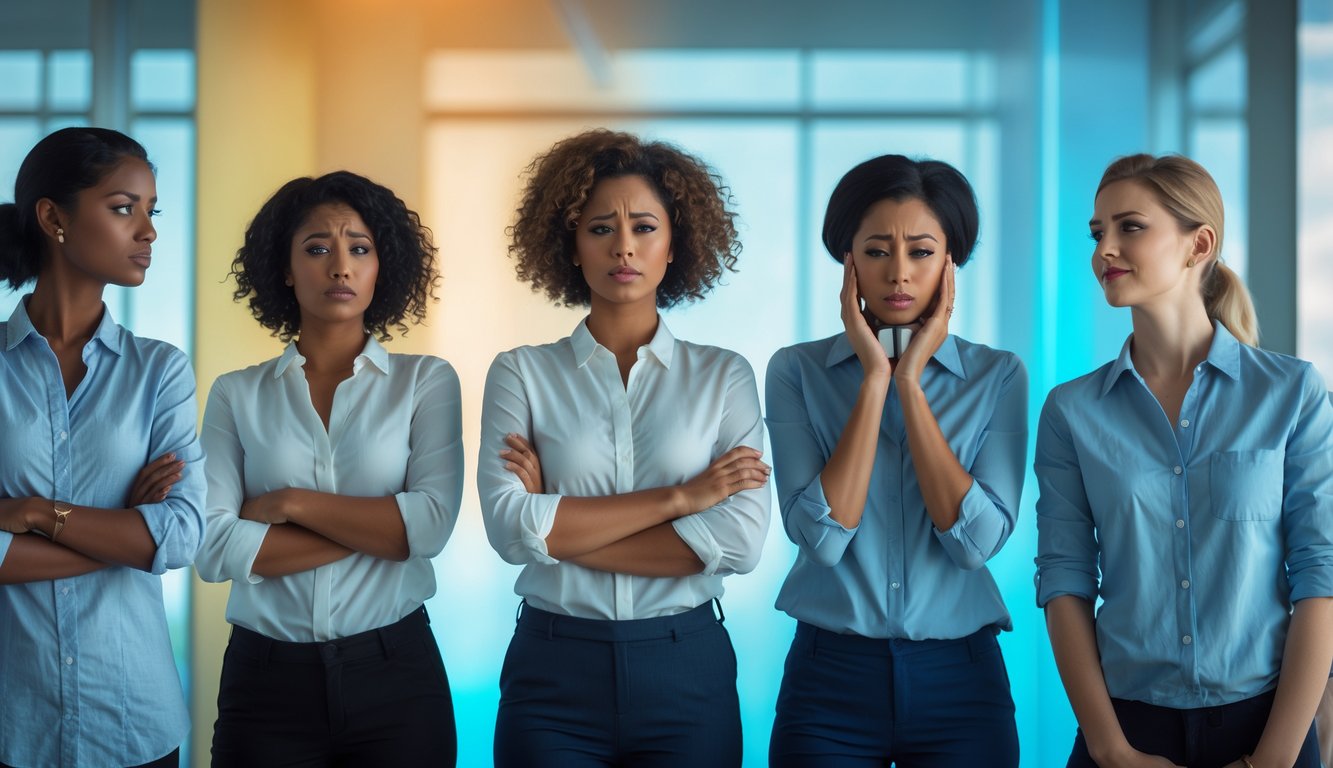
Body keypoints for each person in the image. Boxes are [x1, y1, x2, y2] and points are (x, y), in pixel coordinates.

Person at [478, 128, 771, 768]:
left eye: (644, 227)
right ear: (571, 246)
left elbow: (741, 545)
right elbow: (508, 531)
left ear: (675, 245)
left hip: (686, 665)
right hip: (554, 668)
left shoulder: (725, 376)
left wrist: (558, 527)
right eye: (600, 229)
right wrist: (683, 499)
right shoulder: (521, 373)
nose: (625, 248)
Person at [1036, 153, 1333, 768]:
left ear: (1199, 244)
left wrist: (1274, 759)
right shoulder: (1071, 412)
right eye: (1098, 234)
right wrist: (1110, 749)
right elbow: (1064, 581)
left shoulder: (1294, 394)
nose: (1105, 251)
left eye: (1130, 227)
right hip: (1123, 726)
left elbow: (1320, 576)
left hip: (1268, 723)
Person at [764, 154, 1025, 767]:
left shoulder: (997, 375)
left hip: (962, 681)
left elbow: (974, 545)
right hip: (829, 680)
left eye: (922, 251)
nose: (899, 273)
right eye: (878, 251)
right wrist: (874, 382)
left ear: (950, 262)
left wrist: (910, 384)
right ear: (848, 260)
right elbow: (822, 539)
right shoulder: (796, 371)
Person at [196, 171, 461, 766]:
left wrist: (290, 505)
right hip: (265, 682)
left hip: (397, 675)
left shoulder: (426, 383)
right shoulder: (237, 394)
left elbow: (431, 529)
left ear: (380, 266)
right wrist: (385, 529)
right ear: (285, 269)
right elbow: (213, 548)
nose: (340, 266)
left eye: (359, 248)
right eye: (317, 248)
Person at [0, 127, 204, 768]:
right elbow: (147, 541)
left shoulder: (160, 372)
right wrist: (120, 535)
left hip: (133, 719)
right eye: (124, 208)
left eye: (152, 212)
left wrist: (34, 515)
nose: (148, 232)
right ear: (54, 217)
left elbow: (179, 536)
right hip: (13, 721)